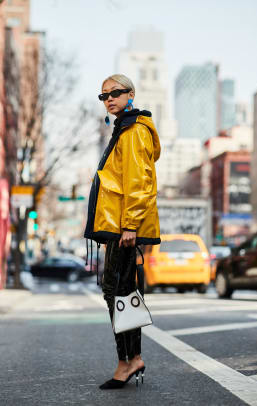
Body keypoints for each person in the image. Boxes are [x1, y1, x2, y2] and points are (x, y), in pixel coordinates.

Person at [84, 74, 161, 389]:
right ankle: (132, 358)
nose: (108, 99)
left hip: (127, 226)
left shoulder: (133, 132)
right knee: (123, 289)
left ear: (130, 94)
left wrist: (129, 224)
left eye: (114, 93)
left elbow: (138, 183)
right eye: (103, 96)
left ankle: (127, 360)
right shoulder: (125, 128)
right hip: (119, 226)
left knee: (113, 290)